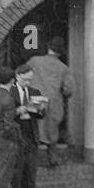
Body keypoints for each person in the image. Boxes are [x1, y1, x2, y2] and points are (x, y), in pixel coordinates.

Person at [26, 37, 74, 168]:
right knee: (52, 131)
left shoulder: (34, 61)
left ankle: (31, 161)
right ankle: (52, 158)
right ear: (60, 52)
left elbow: (23, 75)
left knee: (34, 130)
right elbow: (68, 90)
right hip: (54, 102)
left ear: (48, 48)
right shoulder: (64, 68)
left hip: (36, 99)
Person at [9, 61, 46, 188]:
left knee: (30, 170)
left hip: (30, 135)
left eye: (30, 80)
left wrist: (42, 109)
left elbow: (41, 115)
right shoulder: (9, 92)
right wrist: (17, 111)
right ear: (17, 76)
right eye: (25, 79)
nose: (28, 82)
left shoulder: (35, 92)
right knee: (15, 171)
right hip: (16, 134)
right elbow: (4, 114)